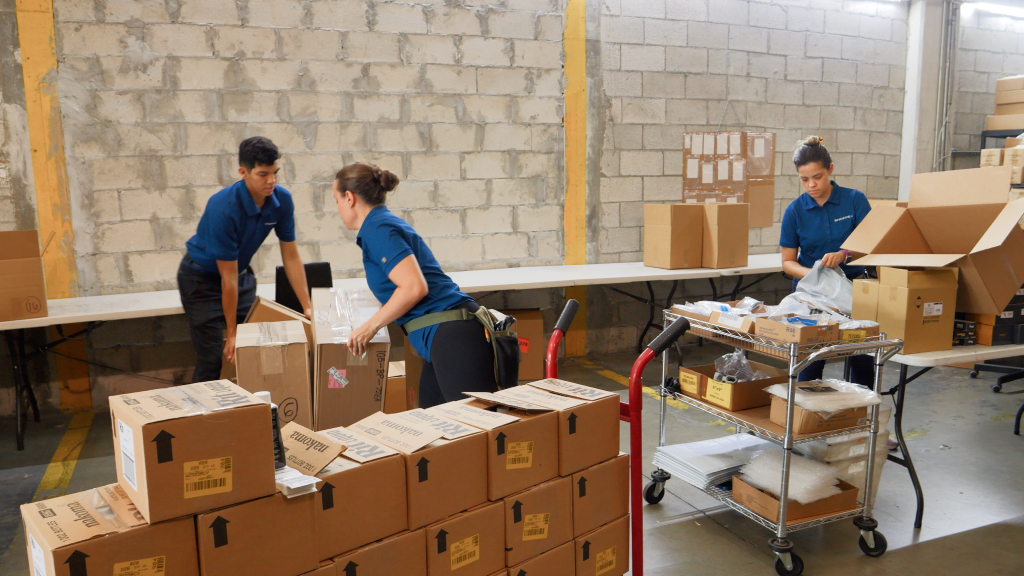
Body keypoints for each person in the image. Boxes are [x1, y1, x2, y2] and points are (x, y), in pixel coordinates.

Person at [332, 162, 497, 408]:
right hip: (444, 336)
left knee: (477, 430)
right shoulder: (380, 224)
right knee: (435, 426)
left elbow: (413, 287)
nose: (337, 209)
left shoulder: (378, 228)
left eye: (336, 201)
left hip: (453, 334)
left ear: (349, 198)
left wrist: (370, 327)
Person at [178, 137, 311, 383]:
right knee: (215, 358)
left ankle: (252, 415)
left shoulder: (282, 200)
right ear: (243, 172)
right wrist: (232, 333)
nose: (271, 181)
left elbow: (290, 256)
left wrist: (307, 306)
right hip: (201, 280)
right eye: (263, 174)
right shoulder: (223, 207)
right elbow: (226, 278)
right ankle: (202, 419)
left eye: (275, 173)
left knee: (253, 351)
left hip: (239, 275)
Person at [779, 136, 874, 384]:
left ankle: (859, 412)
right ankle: (806, 415)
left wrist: (844, 254)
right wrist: (815, 272)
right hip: (813, 293)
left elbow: (872, 246)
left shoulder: (854, 200)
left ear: (830, 169)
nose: (811, 184)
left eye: (817, 177)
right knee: (811, 357)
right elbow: (788, 262)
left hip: (855, 290)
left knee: (861, 356)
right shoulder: (795, 211)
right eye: (804, 179)